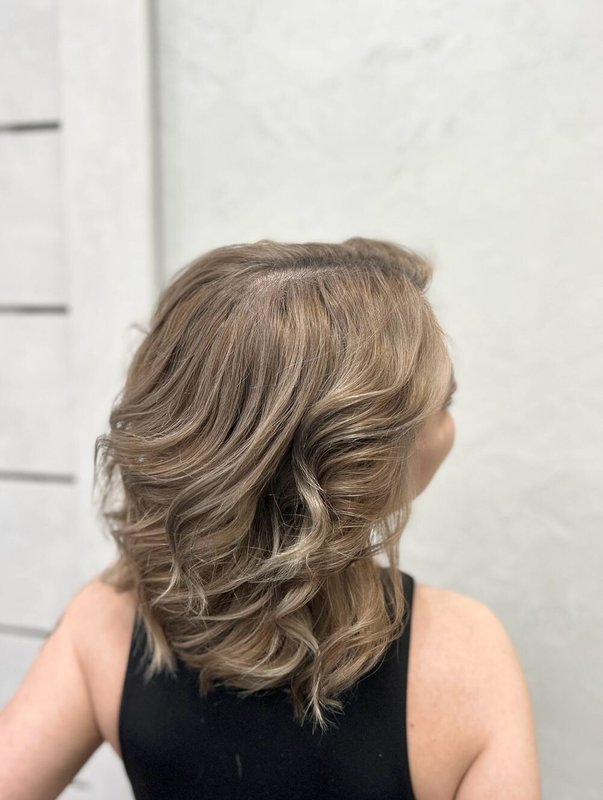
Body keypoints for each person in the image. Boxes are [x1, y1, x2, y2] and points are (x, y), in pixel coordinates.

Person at [0, 238, 541, 799]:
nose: (450, 424)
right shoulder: (466, 653)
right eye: (443, 404)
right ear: (358, 464)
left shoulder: (106, 622)